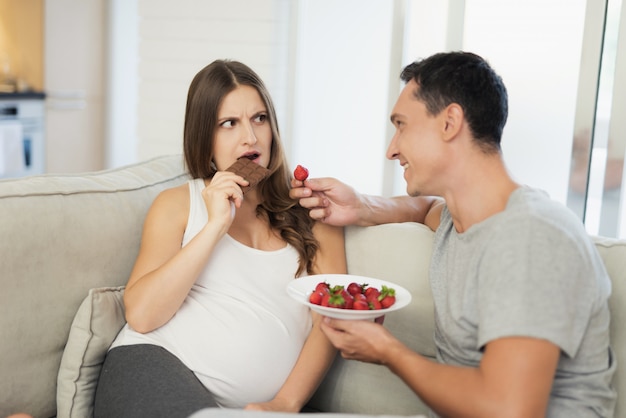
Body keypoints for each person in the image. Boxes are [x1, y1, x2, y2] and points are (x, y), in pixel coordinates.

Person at [290, 51, 616, 417]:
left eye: (401, 125)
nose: (391, 149)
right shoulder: (460, 219)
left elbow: (512, 410)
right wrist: (362, 206)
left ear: (450, 123)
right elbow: (426, 209)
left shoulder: (531, 236)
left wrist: (387, 351)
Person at [93, 60, 346, 418]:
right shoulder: (178, 204)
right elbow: (142, 315)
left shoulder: (316, 214)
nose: (250, 137)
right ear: (205, 141)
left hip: (241, 408)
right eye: (229, 124)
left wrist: (286, 403)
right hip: (153, 364)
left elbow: (330, 320)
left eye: (259, 119)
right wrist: (214, 226)